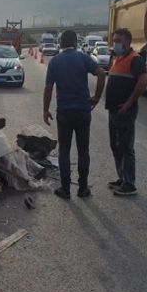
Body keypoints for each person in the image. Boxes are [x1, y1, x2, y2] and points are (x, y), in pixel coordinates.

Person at [43, 30, 106, 199]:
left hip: (64, 112)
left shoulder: (55, 62)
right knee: (83, 150)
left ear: (61, 43)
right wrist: (97, 97)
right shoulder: (83, 58)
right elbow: (101, 74)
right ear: (75, 43)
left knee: (64, 151)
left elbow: (48, 88)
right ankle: (83, 188)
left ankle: (65, 189)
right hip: (83, 112)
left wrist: (45, 109)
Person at [105, 28, 147, 197]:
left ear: (128, 42)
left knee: (126, 147)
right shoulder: (117, 58)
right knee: (115, 145)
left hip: (125, 111)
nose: (115, 43)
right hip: (113, 110)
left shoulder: (135, 59)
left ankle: (130, 183)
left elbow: (143, 81)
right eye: (114, 40)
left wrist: (129, 103)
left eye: (119, 41)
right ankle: (122, 177)